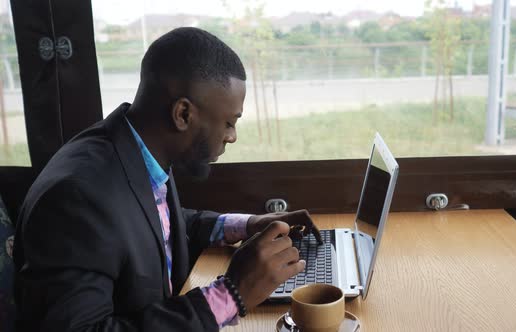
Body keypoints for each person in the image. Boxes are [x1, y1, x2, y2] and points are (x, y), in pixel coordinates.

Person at [13, 27, 322, 331]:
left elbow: (153, 226)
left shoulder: (135, 151)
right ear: (183, 114)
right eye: (229, 123)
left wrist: (248, 225)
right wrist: (231, 294)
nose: (232, 137)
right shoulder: (76, 197)